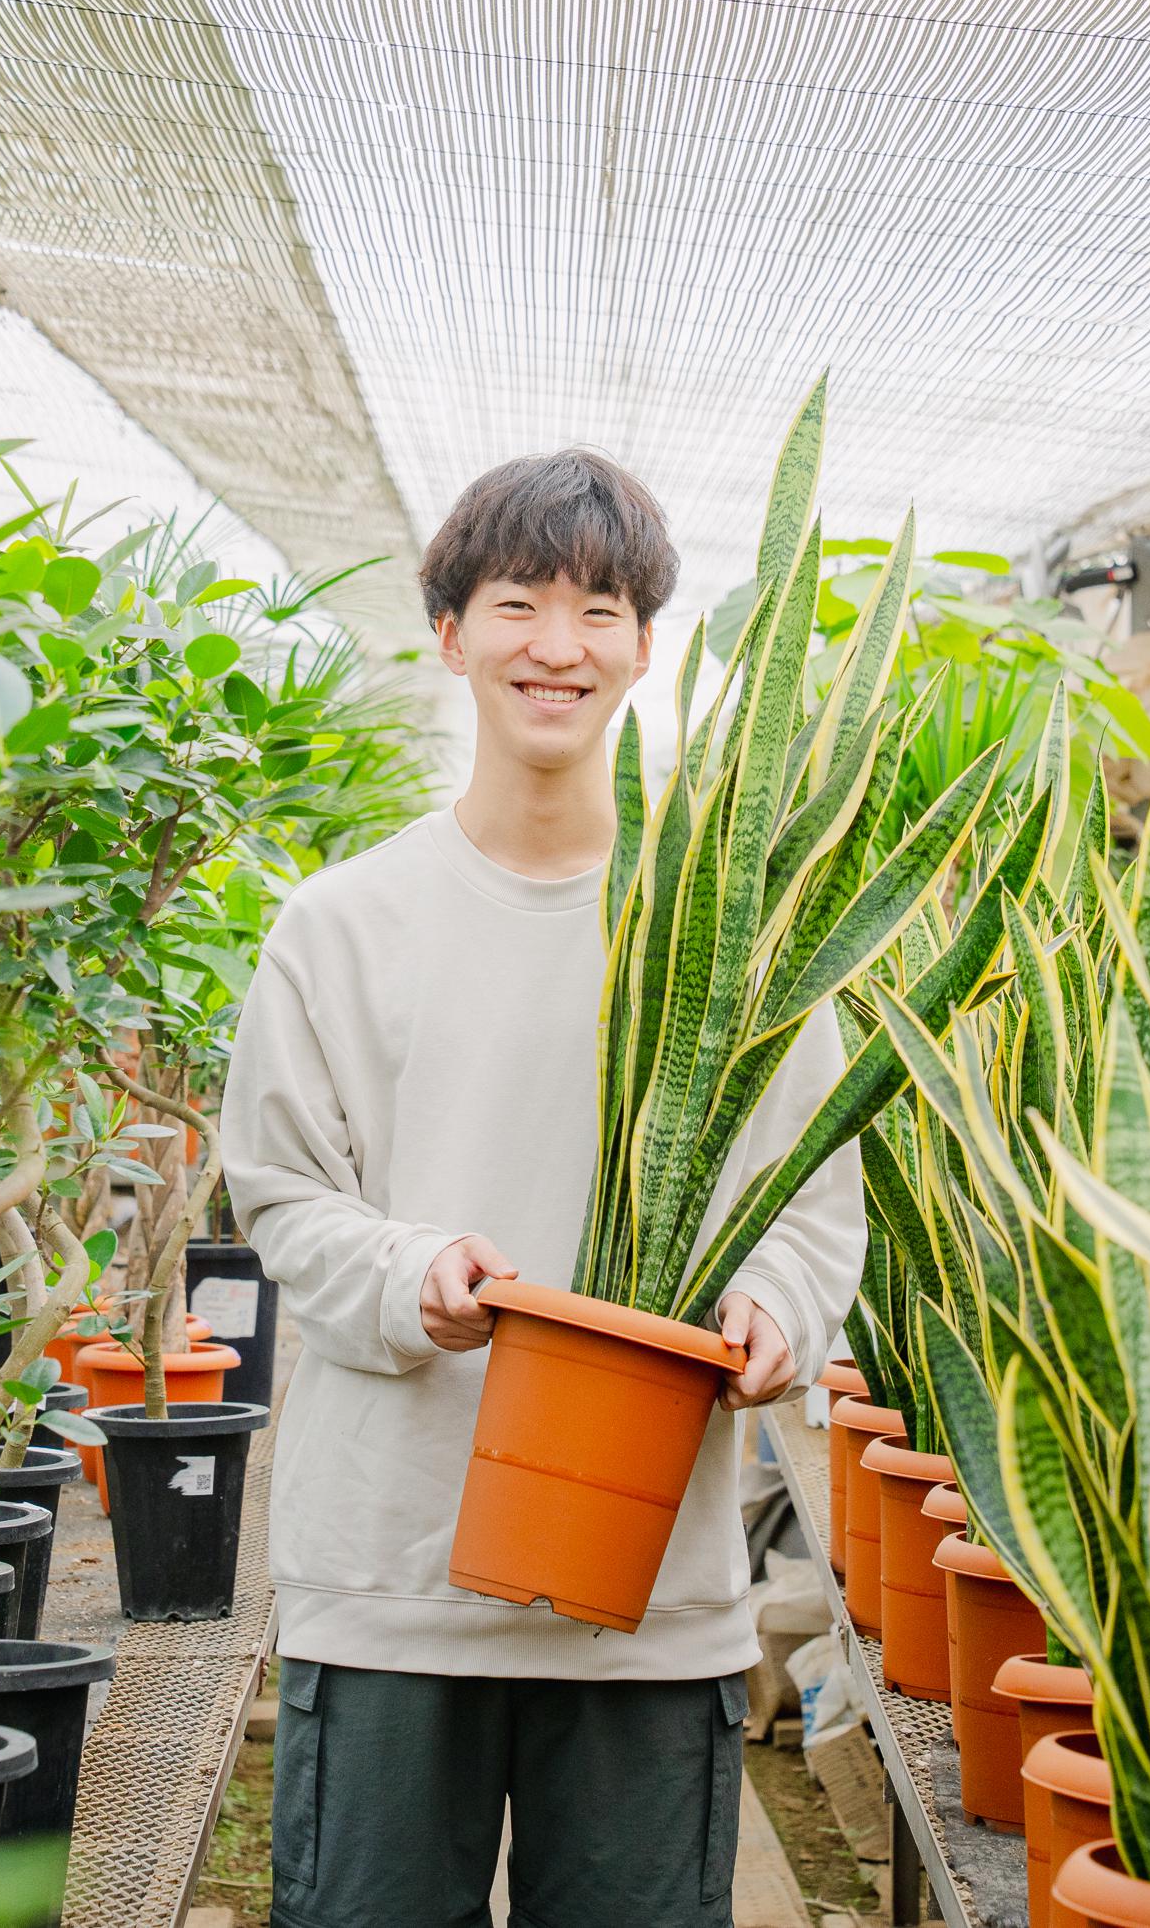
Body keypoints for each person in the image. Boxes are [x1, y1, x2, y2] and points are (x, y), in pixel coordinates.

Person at [219, 448, 865, 1928]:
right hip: (390, 1585)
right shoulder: (340, 924)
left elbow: (819, 1203)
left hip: (649, 1605)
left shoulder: (733, 942)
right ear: (449, 634)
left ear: (646, 645)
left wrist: (780, 1310)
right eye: (518, 604)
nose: (557, 648)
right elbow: (280, 1195)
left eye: (600, 610)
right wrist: (411, 1273)